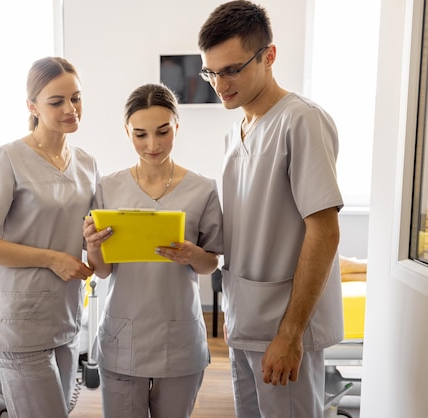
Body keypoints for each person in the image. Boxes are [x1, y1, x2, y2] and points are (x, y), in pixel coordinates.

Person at [197, 2, 345, 417]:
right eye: (211, 72)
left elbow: (324, 231)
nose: (220, 84)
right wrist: (235, 310)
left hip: (285, 324)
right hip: (248, 320)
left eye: (232, 69)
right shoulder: (235, 133)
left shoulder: (302, 121)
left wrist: (291, 333)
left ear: (269, 56)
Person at [0, 56, 98, 418]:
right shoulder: (7, 158)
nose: (70, 109)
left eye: (76, 98)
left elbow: (87, 235)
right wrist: (52, 258)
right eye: (56, 102)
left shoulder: (86, 163)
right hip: (19, 321)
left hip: (67, 316)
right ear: (32, 106)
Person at [82, 83, 223, 418]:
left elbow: (211, 262)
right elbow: (102, 270)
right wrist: (92, 245)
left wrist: (193, 255)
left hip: (179, 334)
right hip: (123, 333)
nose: (152, 145)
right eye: (140, 134)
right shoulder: (107, 188)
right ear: (126, 131)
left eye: (163, 132)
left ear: (177, 125)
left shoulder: (202, 190)